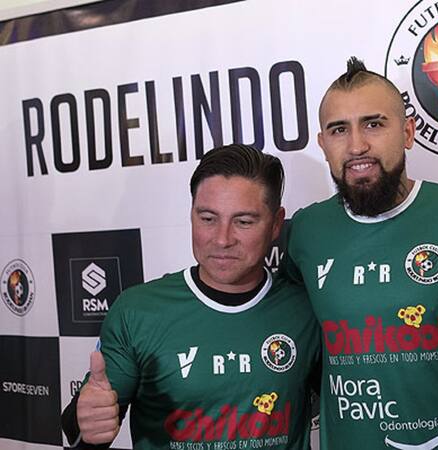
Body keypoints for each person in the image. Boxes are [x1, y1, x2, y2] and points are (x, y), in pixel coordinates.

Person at [283, 58, 438, 449]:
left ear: (408, 132)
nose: (357, 145)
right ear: (323, 144)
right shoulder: (305, 232)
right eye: (339, 129)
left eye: (373, 124)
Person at [61, 144, 321, 449]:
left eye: (244, 221)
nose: (222, 239)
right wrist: (87, 423)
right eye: (208, 219)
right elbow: (82, 432)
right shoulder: (138, 311)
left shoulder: (307, 307)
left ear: (276, 224)